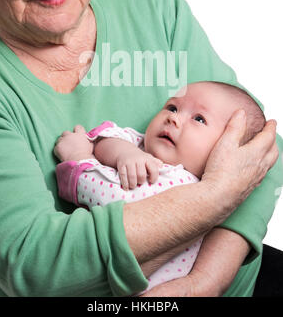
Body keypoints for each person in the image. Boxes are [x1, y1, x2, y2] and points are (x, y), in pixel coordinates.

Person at [0, 0, 281, 297]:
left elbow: (260, 149)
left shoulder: (156, 12)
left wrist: (204, 282)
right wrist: (215, 196)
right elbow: (36, 267)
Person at [54, 81, 266, 292]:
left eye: (199, 119)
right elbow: (110, 137)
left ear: (227, 152)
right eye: (172, 107)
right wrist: (124, 153)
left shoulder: (180, 183)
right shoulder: (147, 148)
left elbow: (109, 197)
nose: (173, 118)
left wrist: (79, 157)